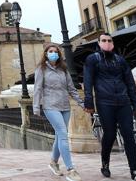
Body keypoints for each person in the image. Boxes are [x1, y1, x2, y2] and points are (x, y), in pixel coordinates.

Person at [84, 33, 136, 181]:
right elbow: (88, 81)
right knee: (110, 134)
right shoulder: (92, 59)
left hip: (123, 102)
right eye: (104, 41)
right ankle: (105, 163)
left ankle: (135, 171)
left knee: (129, 135)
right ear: (99, 43)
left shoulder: (121, 60)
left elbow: (130, 82)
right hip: (104, 102)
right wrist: (89, 101)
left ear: (113, 43)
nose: (107, 43)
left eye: (109, 40)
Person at [33, 44, 83, 181]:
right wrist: (36, 107)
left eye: (56, 51)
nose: (53, 53)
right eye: (50, 51)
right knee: (62, 134)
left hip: (65, 106)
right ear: (46, 54)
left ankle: (53, 163)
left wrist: (81, 102)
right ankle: (71, 170)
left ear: (59, 54)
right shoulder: (41, 69)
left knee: (58, 136)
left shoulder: (63, 69)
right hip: (50, 105)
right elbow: (37, 89)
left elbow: (71, 89)